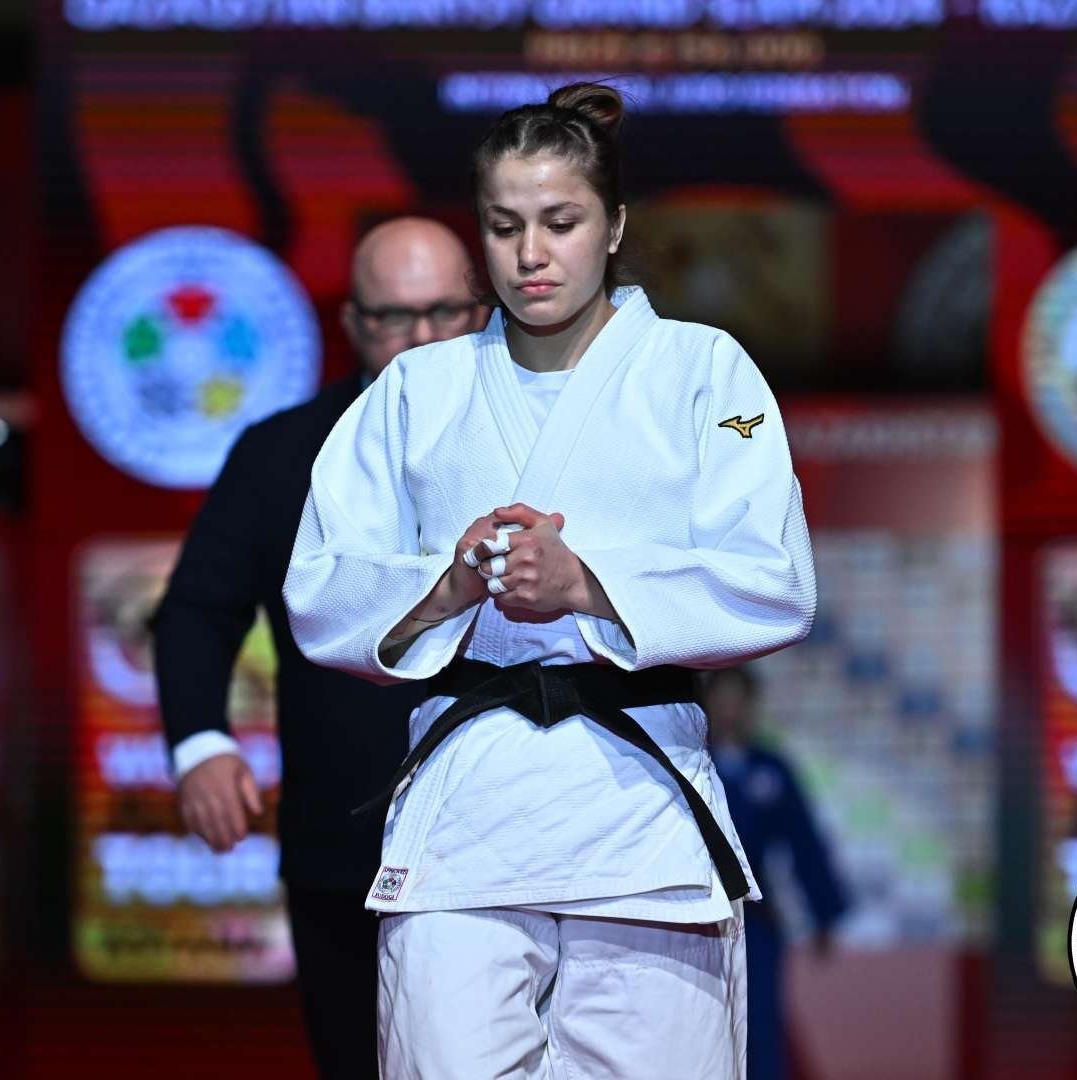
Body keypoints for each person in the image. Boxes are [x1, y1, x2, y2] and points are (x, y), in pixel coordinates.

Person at [282, 83, 818, 1078]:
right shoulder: (417, 389)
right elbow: (319, 587)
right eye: (504, 226)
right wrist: (446, 588)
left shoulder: (705, 373)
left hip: (642, 819)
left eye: (561, 223)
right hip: (464, 818)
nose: (531, 254)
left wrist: (589, 585)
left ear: (614, 226)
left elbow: (774, 578)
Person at [150, 217, 484, 1080]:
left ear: (482, 312)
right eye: (394, 317)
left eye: (445, 312)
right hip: (345, 846)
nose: (421, 339)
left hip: (519, 845)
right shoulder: (282, 453)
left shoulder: (544, 443)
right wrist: (201, 743)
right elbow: (196, 609)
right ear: (353, 324)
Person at [704, 665, 850, 1080]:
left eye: (738, 701)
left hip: (755, 918)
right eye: (722, 700)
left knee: (760, 1019)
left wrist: (823, 912)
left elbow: (804, 842)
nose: (730, 711)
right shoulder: (691, 763)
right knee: (698, 1020)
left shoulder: (771, 770)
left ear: (752, 706)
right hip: (696, 915)